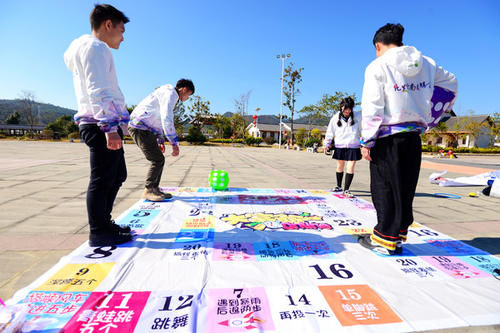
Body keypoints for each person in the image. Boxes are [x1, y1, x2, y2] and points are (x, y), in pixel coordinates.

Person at [358, 23, 457, 255]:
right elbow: (451, 82)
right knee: (405, 186)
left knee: (384, 187)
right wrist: (431, 113)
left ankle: (384, 238)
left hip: (387, 136)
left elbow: (372, 106)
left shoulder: (377, 65)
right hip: (413, 135)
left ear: (378, 46)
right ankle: (399, 234)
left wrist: (367, 140)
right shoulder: (427, 64)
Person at [64, 4, 133, 246]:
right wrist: (109, 128)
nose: (123, 38)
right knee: (103, 179)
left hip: (100, 123)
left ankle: (104, 223)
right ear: (107, 25)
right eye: (121, 30)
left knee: (118, 174)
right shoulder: (96, 48)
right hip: (99, 124)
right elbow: (99, 90)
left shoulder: (83, 48)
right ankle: (99, 230)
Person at [128, 80, 195, 201]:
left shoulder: (167, 92)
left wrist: (160, 139)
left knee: (159, 159)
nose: (187, 98)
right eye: (188, 95)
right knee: (157, 159)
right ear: (184, 89)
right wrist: (174, 143)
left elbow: (157, 117)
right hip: (139, 128)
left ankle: (154, 188)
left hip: (144, 128)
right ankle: (148, 190)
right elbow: (166, 118)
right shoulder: (171, 94)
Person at [323, 97, 361, 198]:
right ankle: (339, 186)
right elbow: (330, 131)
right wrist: (327, 143)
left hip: (354, 145)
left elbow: (364, 128)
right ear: (341, 107)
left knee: (351, 166)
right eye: (346, 108)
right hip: (340, 145)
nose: (348, 111)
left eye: (350, 108)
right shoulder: (335, 117)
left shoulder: (358, 116)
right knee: (340, 166)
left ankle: (346, 189)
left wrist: (366, 141)